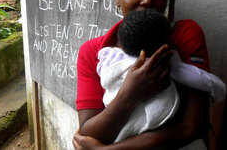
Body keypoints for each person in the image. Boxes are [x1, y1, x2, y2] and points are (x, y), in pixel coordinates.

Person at [73, 0, 212, 149]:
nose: (148, 0)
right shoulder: (94, 52)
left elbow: (192, 126)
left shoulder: (185, 34)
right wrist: (129, 94)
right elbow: (88, 131)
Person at [97, 9, 226, 144]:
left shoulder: (110, 55)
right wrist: (218, 88)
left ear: (120, 41)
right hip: (151, 126)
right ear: (164, 44)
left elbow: (102, 70)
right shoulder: (164, 61)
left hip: (114, 115)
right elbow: (196, 78)